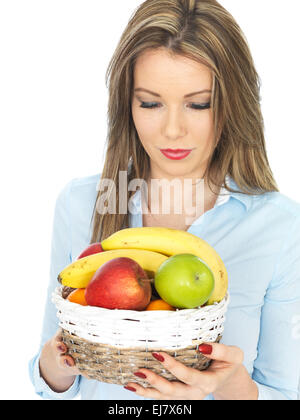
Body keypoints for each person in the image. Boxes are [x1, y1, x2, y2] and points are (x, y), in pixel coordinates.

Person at [29, 0, 300, 400]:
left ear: (233, 105)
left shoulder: (279, 226)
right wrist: (53, 367)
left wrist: (234, 387)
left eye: (199, 103)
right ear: (127, 104)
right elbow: (53, 381)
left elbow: (286, 390)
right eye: (151, 103)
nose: (173, 130)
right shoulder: (81, 202)